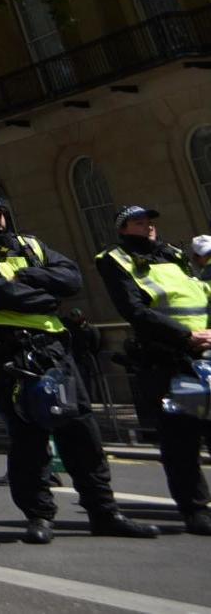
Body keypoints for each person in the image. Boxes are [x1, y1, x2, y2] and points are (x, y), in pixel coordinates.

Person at [0, 192, 156, 543]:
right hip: (10, 351)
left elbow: (72, 278)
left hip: (54, 347)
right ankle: (39, 515)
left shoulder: (30, 244)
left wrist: (27, 277)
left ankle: (103, 511)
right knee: (28, 435)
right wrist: (47, 296)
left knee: (82, 431)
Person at [94, 203, 211, 535]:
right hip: (170, 359)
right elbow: (134, 309)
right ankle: (195, 509)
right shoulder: (115, 260)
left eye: (148, 220)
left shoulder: (173, 254)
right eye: (137, 221)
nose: (147, 225)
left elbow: (203, 294)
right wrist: (185, 336)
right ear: (122, 228)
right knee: (181, 439)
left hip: (205, 353)